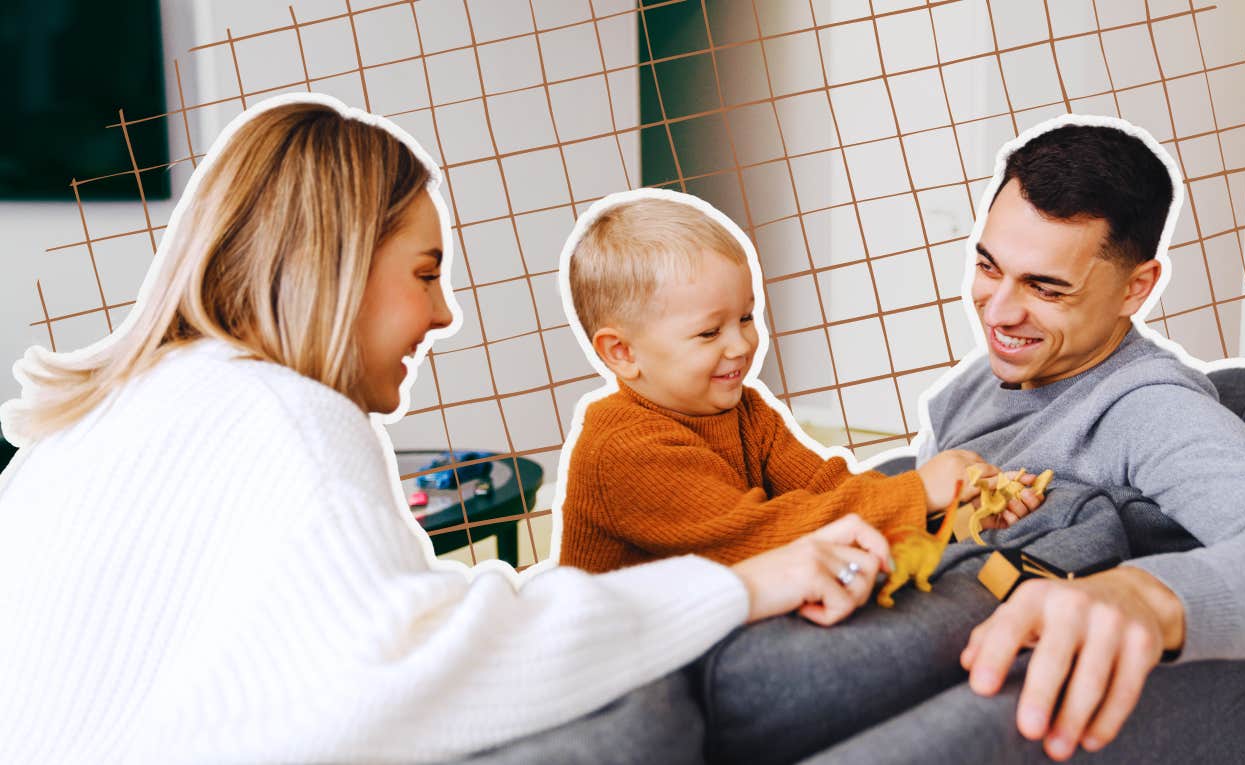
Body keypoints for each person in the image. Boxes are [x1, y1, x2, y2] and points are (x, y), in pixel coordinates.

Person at [0, 95, 895, 763]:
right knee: (638, 710)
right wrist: (736, 587)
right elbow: (402, 661)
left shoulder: (109, 416)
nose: (444, 313)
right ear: (339, 265)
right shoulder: (283, 415)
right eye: (424, 272)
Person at [912, 117, 1245, 760]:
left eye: (1046, 287)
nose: (998, 311)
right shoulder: (981, 380)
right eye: (989, 266)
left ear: (1136, 289)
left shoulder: (1147, 408)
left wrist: (1138, 598)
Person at [556, 193, 1039, 574]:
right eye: (709, 332)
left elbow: (825, 488)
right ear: (622, 353)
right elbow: (763, 537)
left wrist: (949, 513)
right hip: (629, 674)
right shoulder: (622, 449)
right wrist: (918, 493)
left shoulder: (746, 410)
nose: (740, 345)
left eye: (745, 317)